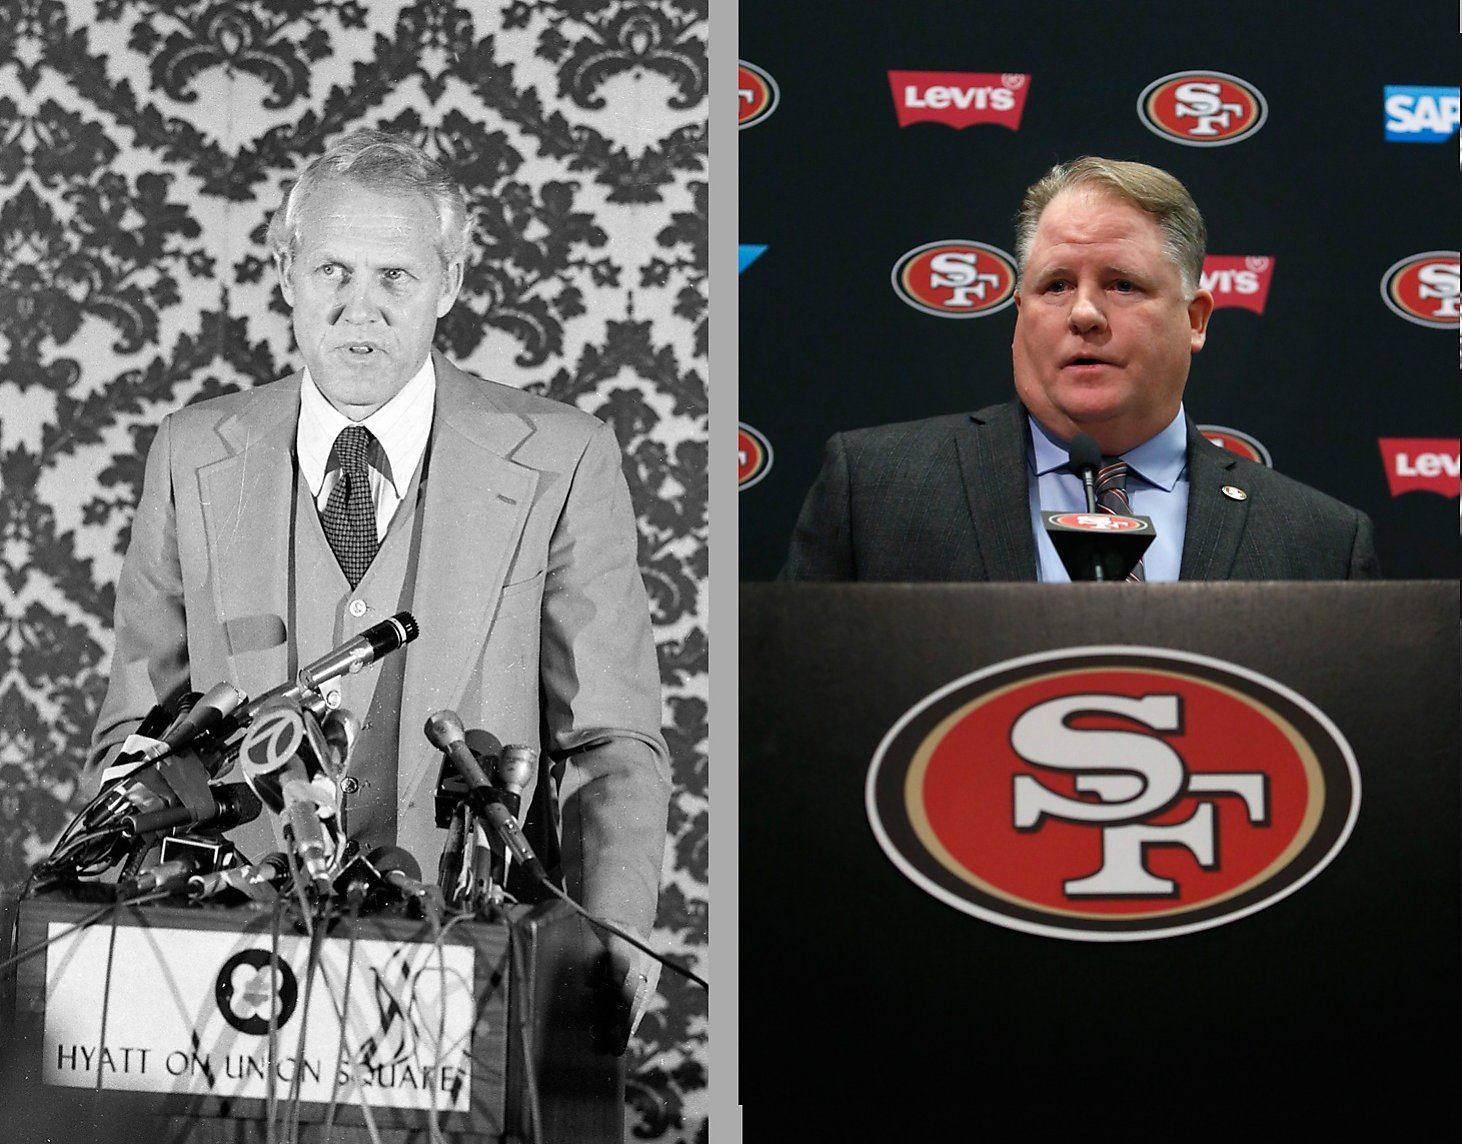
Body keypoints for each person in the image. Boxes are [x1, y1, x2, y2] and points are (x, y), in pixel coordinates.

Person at [88, 130, 670, 1035]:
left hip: (479, 969)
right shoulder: (191, 450)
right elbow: (138, 727)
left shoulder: (565, 457)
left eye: (395, 277)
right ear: (285, 273)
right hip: (226, 978)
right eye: (332, 272)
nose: (361, 308)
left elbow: (611, 741)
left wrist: (616, 933)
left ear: (453, 283)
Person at [782, 156, 1380, 581]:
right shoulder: (874, 494)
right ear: (1019, 313)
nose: (1085, 313)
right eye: (1056, 285)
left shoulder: (1321, 543)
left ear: (1195, 320)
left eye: (1122, 284)